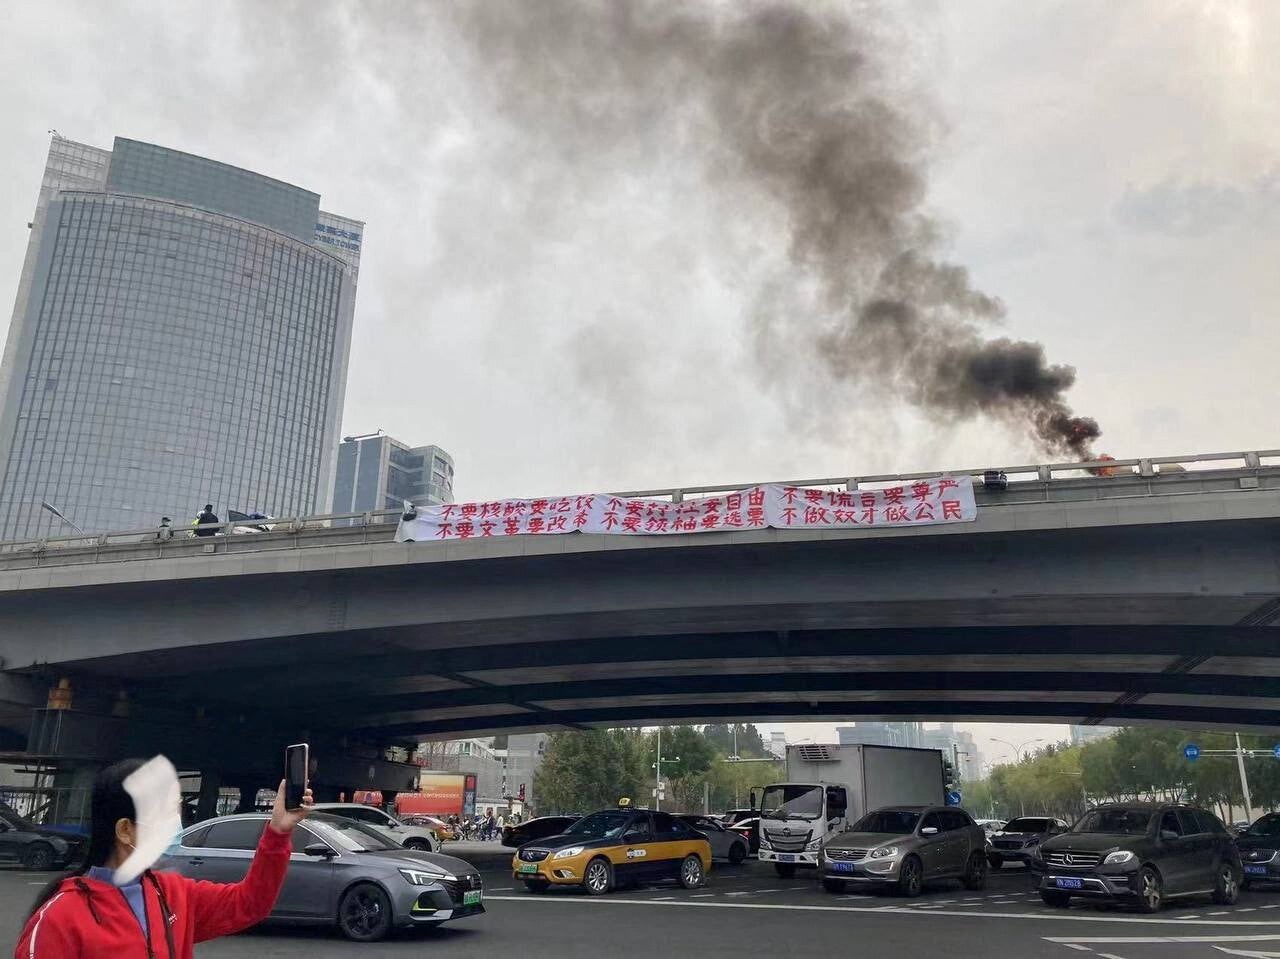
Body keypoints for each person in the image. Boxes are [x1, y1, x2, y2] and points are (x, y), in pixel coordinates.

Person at [15, 759, 312, 958]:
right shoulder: (59, 918)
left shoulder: (173, 894)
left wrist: (277, 832)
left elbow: (250, 904)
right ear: (125, 830)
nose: (177, 823)